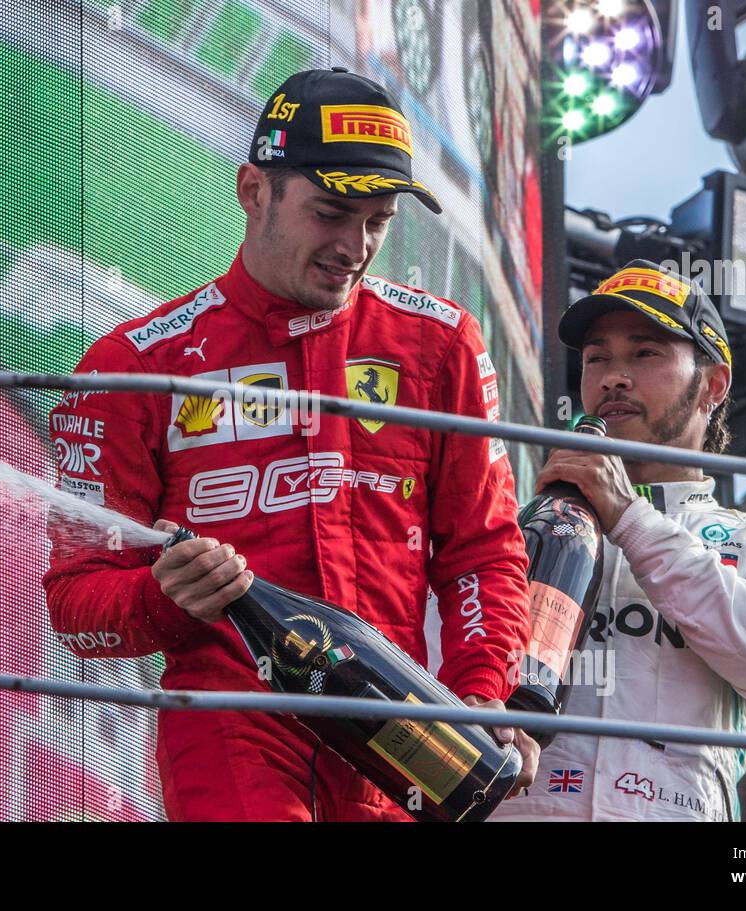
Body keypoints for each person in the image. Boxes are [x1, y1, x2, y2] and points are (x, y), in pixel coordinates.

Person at [43, 67, 537, 821]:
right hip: (230, 718)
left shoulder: (442, 344)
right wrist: (162, 596)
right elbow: (78, 603)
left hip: (401, 722)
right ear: (252, 190)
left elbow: (482, 550)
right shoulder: (134, 365)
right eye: (331, 212)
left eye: (378, 221)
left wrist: (477, 697)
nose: (355, 245)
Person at [489, 260, 746, 822]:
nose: (613, 377)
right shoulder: (507, 522)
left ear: (712, 385)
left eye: (645, 353)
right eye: (597, 358)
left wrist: (628, 516)